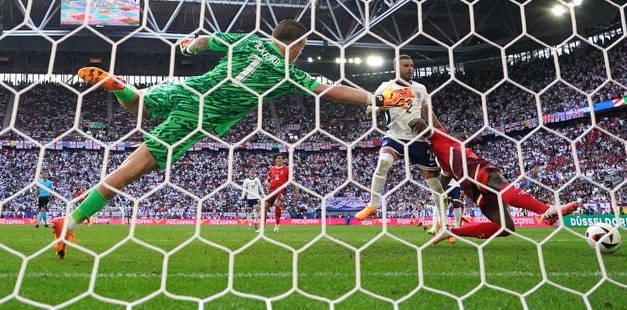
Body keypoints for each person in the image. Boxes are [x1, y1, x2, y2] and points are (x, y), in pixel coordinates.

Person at [52, 19, 415, 259]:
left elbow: (206, 41)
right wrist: (377, 99)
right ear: (298, 45)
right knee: (132, 171)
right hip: (199, 114)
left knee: (142, 106)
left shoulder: (247, 41)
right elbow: (331, 91)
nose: (302, 52)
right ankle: (68, 223)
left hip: (189, 87)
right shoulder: (288, 71)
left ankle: (122, 87)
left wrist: (190, 47)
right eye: (303, 48)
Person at [417, 127, 579, 244]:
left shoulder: (445, 163)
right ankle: (545, 211)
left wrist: (439, 192)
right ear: (458, 139)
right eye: (464, 140)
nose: (466, 144)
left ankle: (451, 232)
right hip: (474, 169)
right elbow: (430, 119)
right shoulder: (445, 139)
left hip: (473, 190)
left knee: (505, 228)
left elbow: (442, 184)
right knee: (501, 184)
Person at [355, 55, 446, 226]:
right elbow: (369, 109)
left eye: (411, 65)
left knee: (435, 184)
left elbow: (427, 112)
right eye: (405, 65)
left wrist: (441, 132)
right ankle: (372, 205)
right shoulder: (386, 87)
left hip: (417, 140)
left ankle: (443, 225)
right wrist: (383, 105)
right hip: (394, 136)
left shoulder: (420, 88)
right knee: (383, 162)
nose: (410, 68)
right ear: (396, 68)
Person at [258, 153, 300, 232]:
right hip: (272, 191)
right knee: (264, 207)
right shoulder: (272, 169)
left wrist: (297, 191)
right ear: (275, 159)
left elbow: (293, 181)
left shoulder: (287, 169)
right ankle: (262, 227)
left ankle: (277, 226)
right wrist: (266, 182)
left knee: (277, 204)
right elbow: (268, 179)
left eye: (281, 158)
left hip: (281, 190)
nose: (280, 159)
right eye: (279, 158)